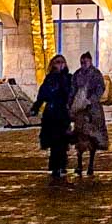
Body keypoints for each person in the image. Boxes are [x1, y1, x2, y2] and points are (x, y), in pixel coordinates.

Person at [29, 54, 78, 182]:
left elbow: (73, 94)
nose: (60, 64)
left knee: (62, 140)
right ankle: (56, 166)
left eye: (62, 62)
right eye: (57, 62)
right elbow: (42, 95)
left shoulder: (69, 78)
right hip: (51, 113)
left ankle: (61, 164)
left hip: (63, 113)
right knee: (54, 140)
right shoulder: (49, 79)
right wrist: (36, 107)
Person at [71, 51, 110, 178]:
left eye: (85, 62)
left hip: (93, 110)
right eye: (81, 62)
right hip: (80, 111)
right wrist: (71, 104)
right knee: (79, 137)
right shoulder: (77, 74)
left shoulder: (96, 74)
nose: (83, 64)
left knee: (93, 138)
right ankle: (79, 164)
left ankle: (91, 165)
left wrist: (91, 100)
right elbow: (72, 90)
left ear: (90, 61)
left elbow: (100, 88)